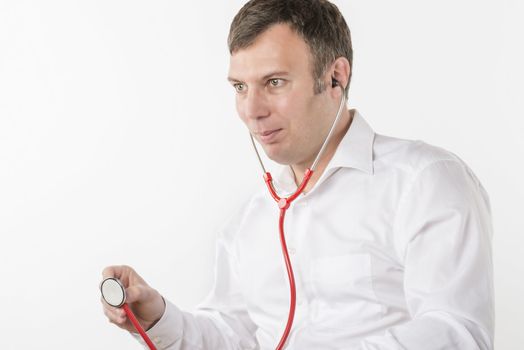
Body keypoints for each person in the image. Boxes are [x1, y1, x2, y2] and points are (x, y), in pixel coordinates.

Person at [101, 0, 494, 349]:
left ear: (335, 77)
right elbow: (234, 336)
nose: (251, 110)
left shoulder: (424, 182)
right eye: (240, 86)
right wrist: (157, 317)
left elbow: (458, 333)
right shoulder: (248, 220)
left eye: (274, 82)